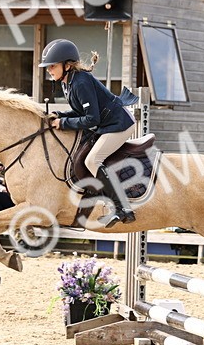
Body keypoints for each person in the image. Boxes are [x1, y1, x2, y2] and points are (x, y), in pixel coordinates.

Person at [42, 39, 136, 227]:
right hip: (105, 125)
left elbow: (92, 119)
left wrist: (64, 123)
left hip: (119, 125)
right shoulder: (67, 82)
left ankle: (122, 208)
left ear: (67, 65)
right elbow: (81, 112)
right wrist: (59, 115)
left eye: (52, 66)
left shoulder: (81, 82)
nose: (49, 70)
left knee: (92, 160)